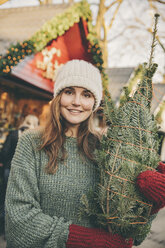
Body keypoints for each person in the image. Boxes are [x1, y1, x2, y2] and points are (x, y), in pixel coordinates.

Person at [5, 60, 165, 248]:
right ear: (58, 96)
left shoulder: (107, 149)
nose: (77, 102)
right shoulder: (32, 143)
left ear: (95, 103)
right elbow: (18, 220)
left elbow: (131, 236)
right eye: (69, 91)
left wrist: (151, 205)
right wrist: (83, 239)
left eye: (86, 94)